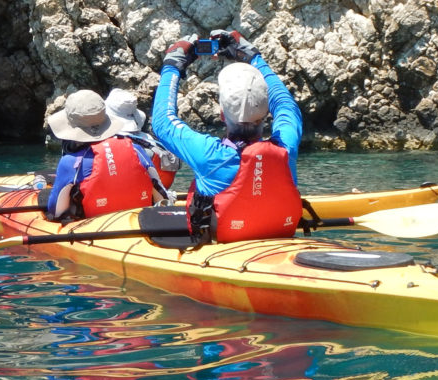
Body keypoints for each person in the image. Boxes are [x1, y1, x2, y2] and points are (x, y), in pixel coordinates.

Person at [151, 29, 304, 244]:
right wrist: (252, 56)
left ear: (222, 114)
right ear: (266, 112)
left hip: (221, 245)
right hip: (278, 239)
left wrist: (172, 65)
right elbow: (285, 104)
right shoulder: (287, 148)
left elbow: (163, 122)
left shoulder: (208, 154)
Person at [45, 89, 172, 221]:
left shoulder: (71, 162)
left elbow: (56, 210)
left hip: (92, 227)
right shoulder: (137, 150)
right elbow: (161, 196)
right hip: (138, 222)